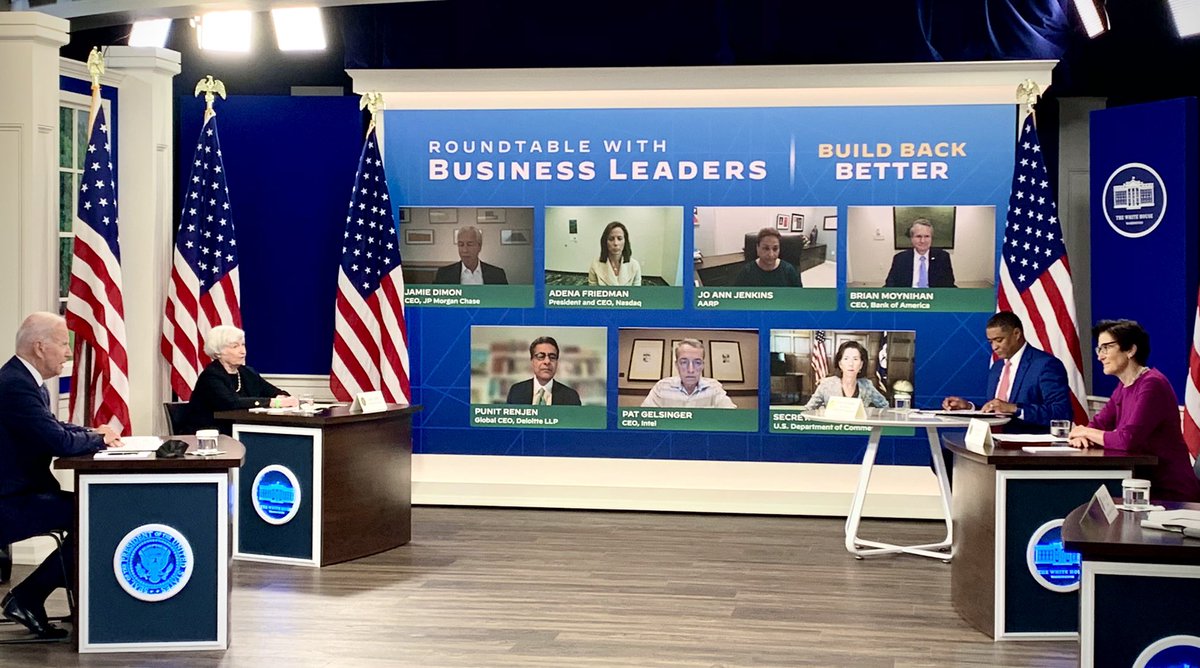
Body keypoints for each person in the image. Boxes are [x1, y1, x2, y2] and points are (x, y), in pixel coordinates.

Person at [0, 312, 121, 639]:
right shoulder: (14, 386)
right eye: (63, 344)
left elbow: (54, 429)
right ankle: (27, 597)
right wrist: (96, 439)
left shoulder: (24, 382)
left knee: (93, 513)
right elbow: (57, 441)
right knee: (96, 515)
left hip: (22, 494)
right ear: (40, 347)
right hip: (10, 502)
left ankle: (31, 597)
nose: (68, 352)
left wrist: (90, 432)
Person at [1068, 320, 1200, 502]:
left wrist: (1084, 431)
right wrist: (1083, 435)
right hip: (1141, 485)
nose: (1100, 356)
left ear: (1130, 350)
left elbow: (1127, 440)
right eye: (1099, 349)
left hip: (1170, 493)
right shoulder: (1123, 386)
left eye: (1106, 348)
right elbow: (1098, 423)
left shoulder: (1152, 384)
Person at [942, 311, 1073, 433]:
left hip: (1027, 448)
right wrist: (969, 408)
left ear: (1016, 334)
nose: (994, 347)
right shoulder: (997, 367)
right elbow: (998, 411)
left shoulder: (1045, 365)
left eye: (999, 340)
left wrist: (1014, 409)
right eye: (990, 341)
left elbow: (1061, 413)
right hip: (993, 442)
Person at [186, 325, 297, 435]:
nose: (243, 351)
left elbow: (273, 391)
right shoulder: (211, 375)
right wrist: (274, 402)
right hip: (211, 436)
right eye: (235, 347)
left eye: (243, 345)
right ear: (218, 352)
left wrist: (283, 397)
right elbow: (231, 402)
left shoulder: (247, 372)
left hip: (242, 430)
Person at [642, 339, 737, 408]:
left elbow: (731, 417)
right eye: (684, 362)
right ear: (676, 365)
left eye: (697, 362)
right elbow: (645, 418)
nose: (691, 370)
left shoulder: (714, 387)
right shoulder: (661, 387)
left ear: (703, 365)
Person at [804, 341, 888, 410]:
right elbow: (808, 409)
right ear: (840, 363)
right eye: (846, 359)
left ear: (861, 364)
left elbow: (885, 406)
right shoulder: (826, 384)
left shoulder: (867, 385)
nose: (850, 364)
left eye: (855, 359)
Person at [505, 336, 582, 406]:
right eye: (541, 356)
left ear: (557, 362)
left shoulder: (571, 396)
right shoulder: (516, 391)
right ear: (532, 361)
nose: (547, 361)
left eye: (552, 357)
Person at [884, 218, 956, 288]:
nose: (922, 241)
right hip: (910, 297)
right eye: (918, 236)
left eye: (927, 236)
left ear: (931, 238)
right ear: (912, 238)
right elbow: (890, 285)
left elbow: (949, 285)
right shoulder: (900, 258)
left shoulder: (943, 257)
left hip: (934, 298)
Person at [433, 226, 509, 285]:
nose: (464, 250)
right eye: (461, 245)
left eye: (469, 244)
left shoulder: (497, 274)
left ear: (479, 246)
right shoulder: (443, 274)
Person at [734, 227, 802, 287]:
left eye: (775, 249)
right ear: (757, 248)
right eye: (766, 248)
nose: (771, 254)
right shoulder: (747, 272)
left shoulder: (789, 271)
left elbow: (799, 298)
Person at [588, 221, 643, 286]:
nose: (616, 243)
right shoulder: (595, 264)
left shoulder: (634, 265)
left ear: (625, 241)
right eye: (611, 239)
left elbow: (636, 293)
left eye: (619, 239)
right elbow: (593, 293)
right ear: (605, 242)